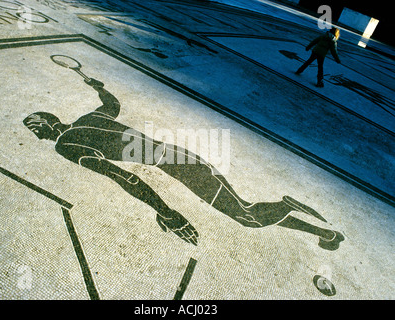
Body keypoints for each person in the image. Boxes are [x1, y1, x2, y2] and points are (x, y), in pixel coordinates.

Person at [23, 76, 344, 250]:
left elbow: (124, 178)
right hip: (180, 157)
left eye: (35, 128)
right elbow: (112, 104)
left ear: (49, 124)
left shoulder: (66, 145)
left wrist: (167, 212)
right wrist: (98, 86)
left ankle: (286, 203)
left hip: (180, 166)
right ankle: (322, 233)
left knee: (245, 217)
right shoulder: (88, 117)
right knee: (243, 209)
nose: (35, 136)